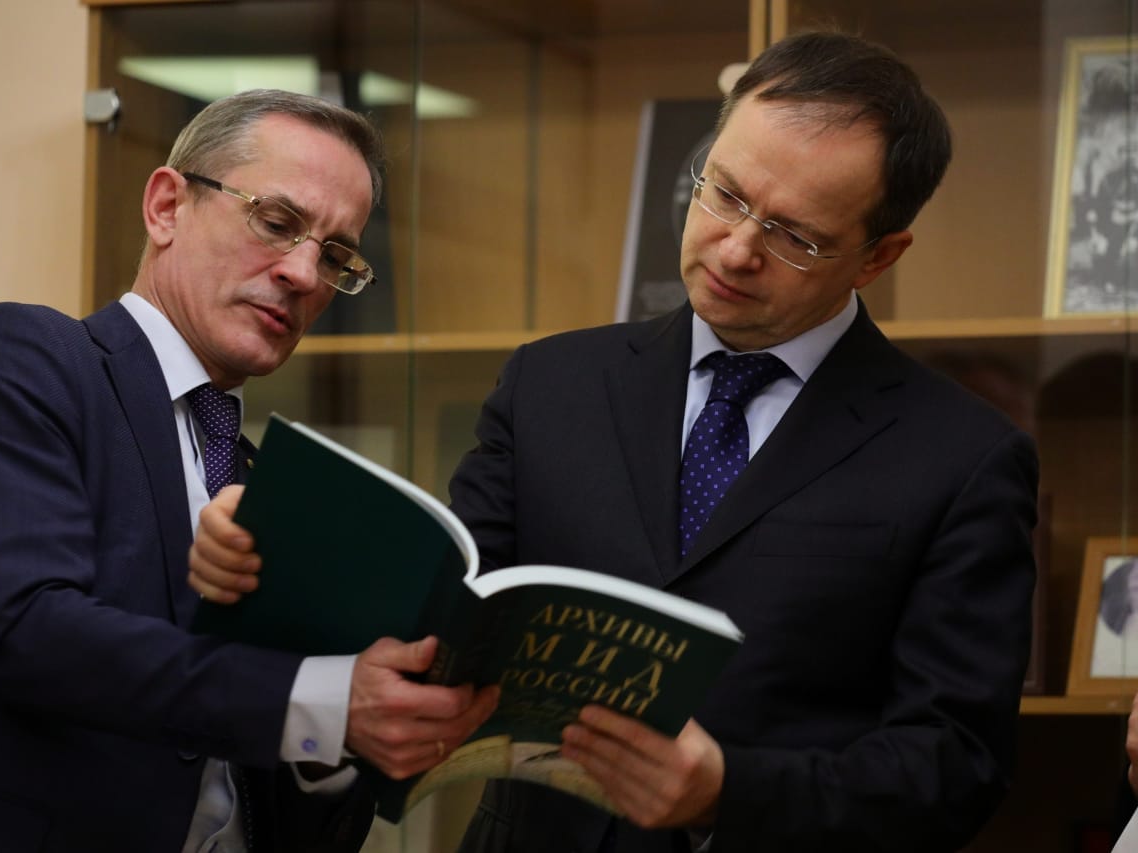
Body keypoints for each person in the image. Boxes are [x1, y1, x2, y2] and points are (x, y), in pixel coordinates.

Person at [190, 32, 1039, 852]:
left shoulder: (962, 460)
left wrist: (727, 792)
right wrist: (276, 550)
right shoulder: (552, 384)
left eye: (794, 236)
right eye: (724, 192)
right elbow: (437, 612)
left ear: (878, 256)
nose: (736, 248)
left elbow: (956, 763)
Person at [0, 89, 498, 853]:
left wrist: (339, 739)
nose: (303, 273)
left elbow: (289, 800)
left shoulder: (267, 491)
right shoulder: (25, 359)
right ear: (166, 206)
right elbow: (27, 630)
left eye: (335, 256)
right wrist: (321, 699)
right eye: (277, 222)